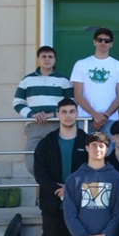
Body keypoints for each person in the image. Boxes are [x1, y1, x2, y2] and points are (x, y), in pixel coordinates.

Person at [33, 98, 87, 236]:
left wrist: (71, 189)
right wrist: (57, 189)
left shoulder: (86, 141)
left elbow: (92, 169)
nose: (68, 115)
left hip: (80, 208)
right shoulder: (46, 143)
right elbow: (40, 173)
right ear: (58, 114)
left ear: (77, 114)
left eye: (72, 111)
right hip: (53, 207)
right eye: (64, 112)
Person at [13, 45, 73, 175]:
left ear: (55, 60)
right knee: (31, 163)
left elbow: (71, 103)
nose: (47, 59)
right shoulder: (27, 80)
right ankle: (44, 182)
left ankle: (52, 185)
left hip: (57, 126)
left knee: (57, 161)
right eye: (43, 57)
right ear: (38, 59)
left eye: (50, 57)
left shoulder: (63, 80)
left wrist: (53, 114)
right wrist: (32, 114)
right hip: (35, 126)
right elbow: (17, 103)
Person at [70, 28, 119, 140]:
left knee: (109, 150)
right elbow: (77, 94)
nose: (103, 43)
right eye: (100, 40)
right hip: (85, 118)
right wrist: (95, 115)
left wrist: (105, 116)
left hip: (110, 119)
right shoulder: (81, 64)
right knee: (85, 149)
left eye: (107, 41)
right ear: (94, 42)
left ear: (111, 44)